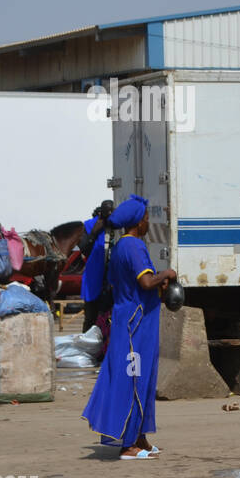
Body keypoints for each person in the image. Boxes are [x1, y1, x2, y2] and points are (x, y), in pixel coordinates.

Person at [81, 195, 177, 459]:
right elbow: (146, 283)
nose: (148, 223)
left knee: (144, 379)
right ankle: (128, 446)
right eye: (146, 218)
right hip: (135, 326)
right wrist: (166, 275)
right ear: (137, 221)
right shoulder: (133, 246)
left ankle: (141, 438)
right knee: (134, 380)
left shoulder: (122, 246)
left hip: (136, 322)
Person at [79, 200, 115, 333]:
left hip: (112, 280)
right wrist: (93, 233)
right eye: (107, 212)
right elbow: (83, 249)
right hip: (94, 279)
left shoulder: (117, 228)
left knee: (109, 317)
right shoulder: (90, 226)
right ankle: (88, 346)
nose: (109, 215)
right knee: (91, 318)